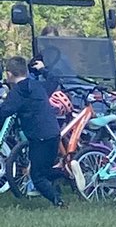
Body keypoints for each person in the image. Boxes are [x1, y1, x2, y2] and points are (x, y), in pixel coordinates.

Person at [0, 57, 70, 206]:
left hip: (40, 137)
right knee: (44, 170)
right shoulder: (38, 86)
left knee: (37, 177)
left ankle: (59, 202)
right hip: (53, 134)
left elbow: (4, 112)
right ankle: (68, 174)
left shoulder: (18, 92)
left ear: (9, 74)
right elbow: (54, 79)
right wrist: (42, 69)